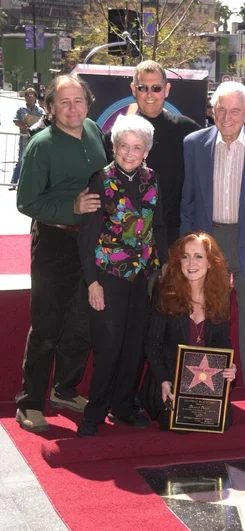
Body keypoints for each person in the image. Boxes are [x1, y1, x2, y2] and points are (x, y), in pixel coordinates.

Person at [181, 81, 245, 424]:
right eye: (221, 110)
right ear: (212, 109)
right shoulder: (194, 144)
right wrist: (188, 250)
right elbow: (188, 200)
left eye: (235, 111)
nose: (227, 118)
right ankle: (201, 395)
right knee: (203, 315)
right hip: (207, 242)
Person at [15, 75, 107, 433]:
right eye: (64, 102)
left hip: (92, 241)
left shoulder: (96, 132)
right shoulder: (41, 145)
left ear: (88, 103)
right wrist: (72, 206)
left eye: (79, 101)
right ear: (50, 108)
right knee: (48, 325)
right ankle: (30, 402)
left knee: (84, 324)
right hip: (55, 242)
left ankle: (65, 390)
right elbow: (26, 202)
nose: (73, 108)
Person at [104, 60, 245, 246]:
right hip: (128, 236)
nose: (149, 94)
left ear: (167, 89)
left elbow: (225, 130)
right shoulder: (116, 135)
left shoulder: (188, 130)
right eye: (142, 87)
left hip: (177, 235)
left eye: (156, 88)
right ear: (133, 89)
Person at [77, 114, 168, 436]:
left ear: (146, 151)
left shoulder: (152, 178)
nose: (130, 153)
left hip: (142, 277)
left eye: (137, 147)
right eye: (124, 146)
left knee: (134, 345)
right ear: (114, 147)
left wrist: (164, 267)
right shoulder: (99, 180)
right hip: (108, 275)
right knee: (109, 346)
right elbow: (87, 237)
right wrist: (92, 283)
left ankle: (124, 406)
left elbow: (158, 226)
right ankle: (95, 412)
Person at [141, 232, 236, 430]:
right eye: (186, 256)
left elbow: (222, 341)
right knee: (176, 425)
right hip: (170, 377)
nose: (191, 263)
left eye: (199, 256)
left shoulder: (222, 295)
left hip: (205, 381)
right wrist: (164, 381)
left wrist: (229, 366)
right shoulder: (165, 292)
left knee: (222, 423)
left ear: (210, 262)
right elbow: (152, 344)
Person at [9, 88, 45, 190]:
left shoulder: (40, 111)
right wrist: (25, 127)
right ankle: (14, 183)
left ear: (35, 98)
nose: (29, 98)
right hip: (24, 140)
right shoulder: (21, 110)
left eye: (31, 96)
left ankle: (33, 185)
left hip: (36, 141)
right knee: (20, 161)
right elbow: (16, 121)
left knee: (35, 162)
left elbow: (44, 123)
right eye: (27, 96)